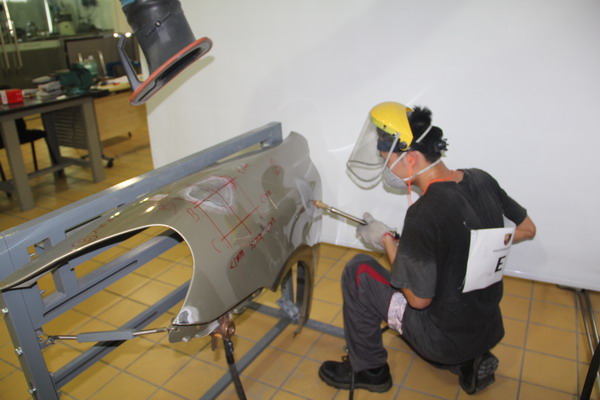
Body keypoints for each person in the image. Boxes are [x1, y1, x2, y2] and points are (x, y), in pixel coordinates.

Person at [319, 102, 536, 395]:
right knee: (444, 289)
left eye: (387, 160)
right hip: (486, 328)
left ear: (412, 157)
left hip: (441, 340)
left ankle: (370, 370)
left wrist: (385, 240)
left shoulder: (425, 213)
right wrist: (477, 244)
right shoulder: (482, 178)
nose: (386, 168)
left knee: (358, 271)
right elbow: (527, 229)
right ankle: (468, 361)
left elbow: (418, 299)